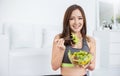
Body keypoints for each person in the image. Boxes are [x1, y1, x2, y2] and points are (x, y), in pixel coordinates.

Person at [51, 4, 96, 76]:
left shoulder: (90, 40)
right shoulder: (59, 38)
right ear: (67, 21)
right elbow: (54, 67)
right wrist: (61, 50)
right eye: (72, 18)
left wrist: (86, 63)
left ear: (83, 20)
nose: (76, 22)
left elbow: (92, 66)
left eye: (80, 18)